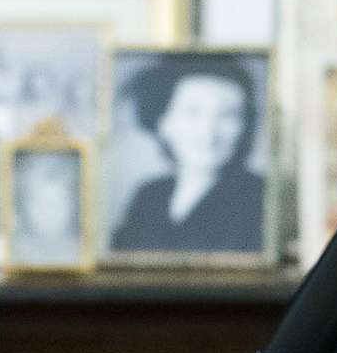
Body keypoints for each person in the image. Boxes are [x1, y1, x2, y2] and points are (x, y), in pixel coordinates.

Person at [109, 55, 265, 254]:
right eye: (192, 113)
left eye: (228, 115)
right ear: (162, 121)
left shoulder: (258, 198)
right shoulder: (150, 196)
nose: (209, 132)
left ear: (245, 126)